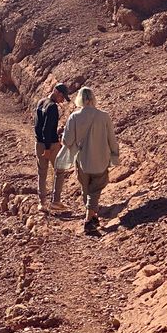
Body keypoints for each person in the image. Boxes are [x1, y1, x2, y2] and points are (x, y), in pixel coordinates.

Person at [59, 86, 119, 234]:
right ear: (93, 98)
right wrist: (115, 154)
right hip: (100, 159)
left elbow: (67, 141)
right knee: (96, 189)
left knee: (86, 188)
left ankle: (92, 217)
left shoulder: (74, 117)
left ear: (79, 98)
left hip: (81, 160)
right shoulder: (104, 116)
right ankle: (88, 220)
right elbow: (111, 138)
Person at [34, 82, 70, 210]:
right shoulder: (52, 107)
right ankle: (55, 201)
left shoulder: (41, 102)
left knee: (42, 173)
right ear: (56, 91)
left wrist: (42, 143)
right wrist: (48, 148)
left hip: (38, 143)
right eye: (62, 96)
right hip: (50, 145)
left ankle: (42, 203)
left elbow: (38, 126)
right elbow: (47, 129)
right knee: (60, 171)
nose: (62, 100)